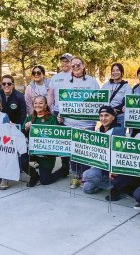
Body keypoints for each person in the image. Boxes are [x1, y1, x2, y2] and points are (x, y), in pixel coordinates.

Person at [50, 56, 100, 188]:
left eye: (78, 64)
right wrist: (61, 115)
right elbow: (61, 102)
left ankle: (85, 177)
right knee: (72, 152)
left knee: (85, 152)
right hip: (70, 123)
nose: (76, 67)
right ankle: (75, 176)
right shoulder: (65, 82)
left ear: (83, 66)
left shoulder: (92, 82)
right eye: (73, 65)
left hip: (87, 124)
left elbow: (98, 101)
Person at [82, 106, 125, 194]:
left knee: (87, 175)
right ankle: (107, 185)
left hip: (111, 169)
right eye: (101, 116)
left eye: (106, 115)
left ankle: (115, 187)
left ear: (113, 117)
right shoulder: (99, 129)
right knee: (87, 189)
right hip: (100, 165)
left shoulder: (118, 130)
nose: (103, 118)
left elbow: (120, 153)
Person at [23, 96, 64, 187]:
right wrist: (26, 128)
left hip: (46, 155)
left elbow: (57, 137)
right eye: (35, 103)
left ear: (45, 105)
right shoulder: (29, 118)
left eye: (41, 103)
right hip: (33, 152)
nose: (38, 105)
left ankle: (63, 170)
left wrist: (60, 122)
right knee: (21, 159)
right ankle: (34, 176)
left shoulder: (52, 119)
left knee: (45, 181)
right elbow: (21, 136)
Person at [47, 53, 73, 176]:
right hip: (58, 112)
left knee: (73, 140)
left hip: (73, 113)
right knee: (62, 140)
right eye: (63, 61)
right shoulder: (56, 77)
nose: (64, 63)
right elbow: (51, 94)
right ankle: (65, 166)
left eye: (67, 61)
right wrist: (49, 109)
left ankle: (76, 167)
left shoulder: (76, 76)